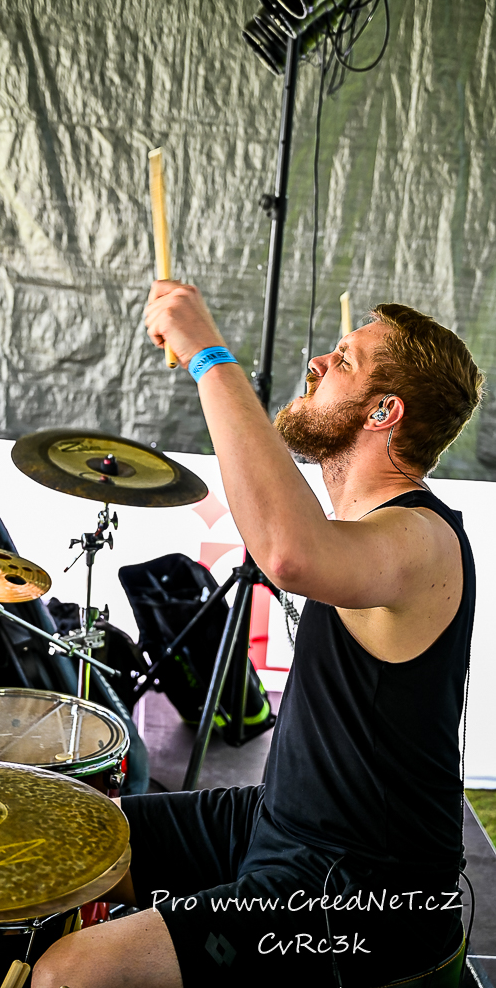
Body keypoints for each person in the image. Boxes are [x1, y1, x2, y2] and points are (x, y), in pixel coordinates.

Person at [32, 282, 483, 988]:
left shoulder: (422, 538)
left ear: (383, 411)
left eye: (344, 361)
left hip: (367, 891)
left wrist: (209, 353)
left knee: (71, 972)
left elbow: (288, 553)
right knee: (60, 838)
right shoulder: (366, 532)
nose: (316, 364)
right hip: (282, 820)